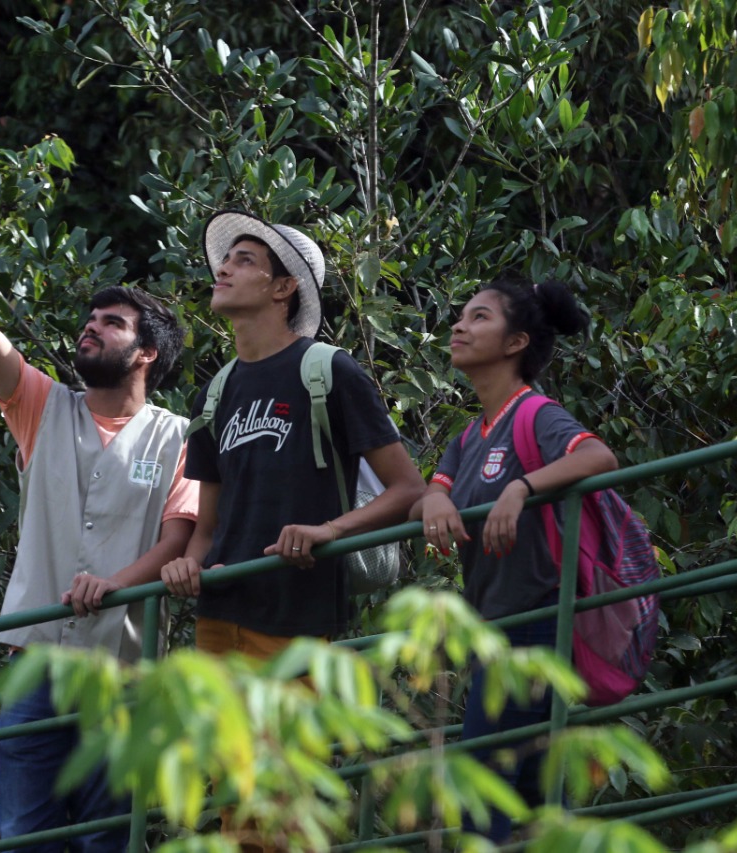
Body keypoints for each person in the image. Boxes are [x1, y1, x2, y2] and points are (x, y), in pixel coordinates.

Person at [0, 144, 198, 852]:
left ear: (145, 355)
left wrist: (112, 584)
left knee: (109, 839)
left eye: (112, 323)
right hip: (36, 664)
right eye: (91, 318)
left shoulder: (177, 436)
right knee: (24, 835)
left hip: (122, 672)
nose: (92, 327)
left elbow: (178, 538)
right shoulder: (43, 404)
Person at [158, 210, 422, 848]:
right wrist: (188, 561)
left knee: (278, 791)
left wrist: (331, 529)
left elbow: (409, 490)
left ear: (284, 289)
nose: (223, 268)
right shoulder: (215, 391)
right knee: (234, 789)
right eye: (228, 259)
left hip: (296, 613)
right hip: (222, 609)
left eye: (245, 260)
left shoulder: (329, 372)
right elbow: (209, 520)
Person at [409, 277, 619, 843]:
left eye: (478, 317)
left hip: (537, 622)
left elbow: (599, 457)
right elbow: (434, 488)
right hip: (492, 631)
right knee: (521, 799)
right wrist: (433, 497)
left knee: (482, 784)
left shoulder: (536, 415)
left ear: (515, 343)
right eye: (461, 315)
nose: (459, 325)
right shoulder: (469, 434)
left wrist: (522, 487)